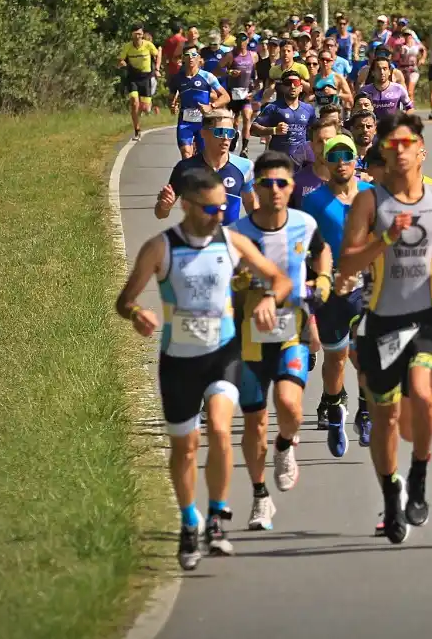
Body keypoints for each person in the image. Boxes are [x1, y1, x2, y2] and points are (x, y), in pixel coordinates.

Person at [116, 169, 292, 569]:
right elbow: (123, 301)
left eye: (223, 207)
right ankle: (188, 521)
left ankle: (216, 516)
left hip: (223, 354)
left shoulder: (232, 242)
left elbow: (278, 279)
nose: (219, 214)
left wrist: (268, 301)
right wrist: (137, 312)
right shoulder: (159, 248)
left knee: (218, 428)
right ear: (187, 205)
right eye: (211, 208)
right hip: (178, 361)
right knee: (185, 448)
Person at [338, 113, 432, 544]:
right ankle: (391, 495)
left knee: (425, 395)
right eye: (391, 144)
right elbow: (349, 262)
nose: (399, 151)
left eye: (406, 143)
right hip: (381, 322)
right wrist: (385, 239)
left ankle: (419, 473)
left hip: (424, 317)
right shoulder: (369, 202)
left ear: (421, 149)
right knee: (387, 415)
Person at [232, 152, 333, 530]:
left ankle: (286, 446)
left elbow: (322, 252)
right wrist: (239, 286)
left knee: (290, 407)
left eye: (282, 183)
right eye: (266, 183)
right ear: (255, 188)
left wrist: (322, 281)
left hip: (291, 331)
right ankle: (260, 498)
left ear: (292, 187)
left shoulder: (305, 225)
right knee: (254, 423)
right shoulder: (239, 233)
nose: (274, 191)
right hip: (249, 341)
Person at [301, 134, 375, 450]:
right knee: (337, 359)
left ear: (357, 158)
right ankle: (334, 410)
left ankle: (367, 413)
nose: (342, 160)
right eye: (335, 155)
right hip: (331, 289)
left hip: (368, 286)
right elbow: (307, 249)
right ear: (325, 162)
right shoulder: (313, 200)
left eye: (347, 154)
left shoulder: (373, 193)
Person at [156, 111, 255, 226]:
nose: (226, 138)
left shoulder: (244, 167)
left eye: (230, 132)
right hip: (196, 241)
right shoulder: (185, 168)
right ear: (203, 133)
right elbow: (160, 214)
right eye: (220, 132)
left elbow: (251, 206)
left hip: (229, 241)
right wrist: (164, 207)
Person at [251, 68, 316, 176]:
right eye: (288, 83)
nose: (292, 86)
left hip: (302, 163)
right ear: (282, 87)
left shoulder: (308, 109)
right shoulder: (273, 107)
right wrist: (274, 130)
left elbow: (316, 131)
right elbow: (253, 129)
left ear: (301, 87)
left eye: (296, 83)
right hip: (278, 162)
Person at [171, 47, 231, 159]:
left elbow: (226, 96)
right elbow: (172, 97)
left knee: (204, 156)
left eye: (194, 55)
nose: (191, 58)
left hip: (204, 122)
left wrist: (211, 106)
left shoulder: (208, 76)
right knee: (186, 153)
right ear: (183, 58)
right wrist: (173, 106)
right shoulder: (178, 78)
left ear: (199, 58)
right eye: (187, 55)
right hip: (185, 122)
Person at [217, 32, 259, 156]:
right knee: (234, 122)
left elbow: (257, 76)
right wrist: (229, 72)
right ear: (237, 41)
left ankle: (245, 148)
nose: (242, 42)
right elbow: (216, 71)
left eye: (244, 39)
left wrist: (254, 90)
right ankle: (234, 135)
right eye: (239, 39)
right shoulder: (230, 55)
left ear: (247, 41)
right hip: (233, 93)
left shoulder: (253, 56)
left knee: (247, 117)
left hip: (246, 94)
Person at [119, 23, 161, 141]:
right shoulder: (128, 46)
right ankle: (137, 130)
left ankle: (150, 108)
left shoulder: (148, 45)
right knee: (134, 102)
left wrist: (157, 68)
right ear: (131, 34)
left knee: (145, 108)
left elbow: (158, 54)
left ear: (143, 34)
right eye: (136, 34)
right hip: (133, 77)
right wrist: (122, 63)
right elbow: (120, 60)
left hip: (146, 77)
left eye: (140, 34)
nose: (138, 37)